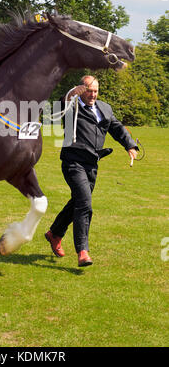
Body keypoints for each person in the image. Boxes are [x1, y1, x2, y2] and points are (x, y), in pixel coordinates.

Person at [45, 75, 138, 267]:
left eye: (96, 91)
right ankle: (82, 251)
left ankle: (55, 233)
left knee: (78, 202)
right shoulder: (72, 106)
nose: (93, 95)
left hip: (92, 165)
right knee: (85, 204)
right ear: (81, 90)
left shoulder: (104, 108)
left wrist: (130, 145)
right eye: (89, 91)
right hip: (73, 163)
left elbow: (117, 127)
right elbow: (57, 107)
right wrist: (71, 93)